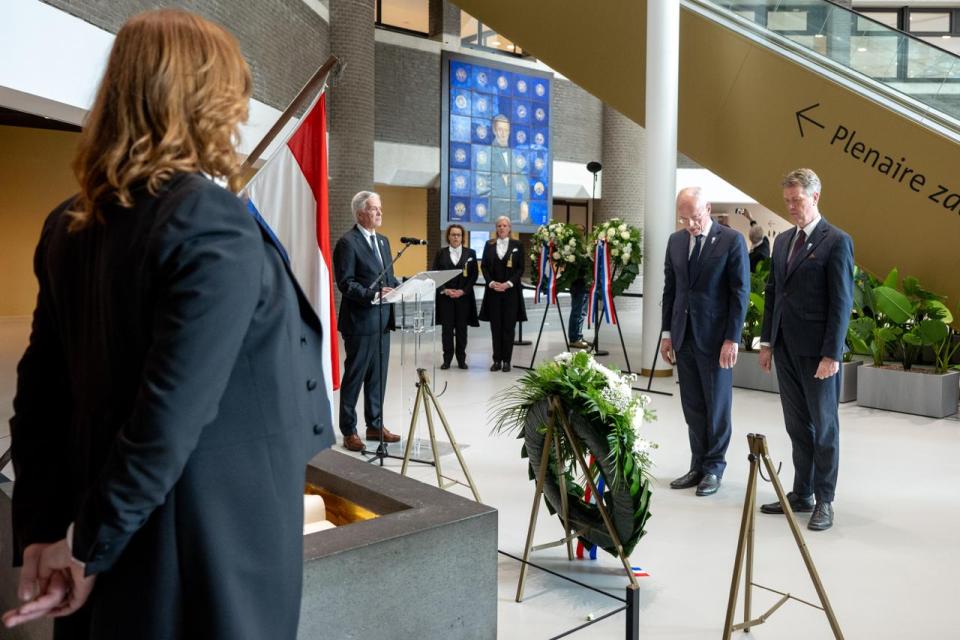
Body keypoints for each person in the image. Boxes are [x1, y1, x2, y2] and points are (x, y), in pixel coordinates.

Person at [3, 9, 334, 638]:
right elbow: (168, 414)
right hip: (210, 543)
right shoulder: (208, 220)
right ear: (206, 97)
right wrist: (82, 546)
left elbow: (38, 398)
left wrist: (48, 533)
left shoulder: (71, 223)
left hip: (110, 522)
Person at [758, 168, 853, 531]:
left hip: (818, 354)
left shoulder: (836, 241)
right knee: (797, 425)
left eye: (797, 200)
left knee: (825, 427)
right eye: (787, 201)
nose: (792, 207)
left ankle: (825, 500)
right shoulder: (782, 241)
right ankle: (802, 493)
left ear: (815, 197)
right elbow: (773, 294)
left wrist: (832, 355)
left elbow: (841, 303)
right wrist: (767, 343)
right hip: (785, 348)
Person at [660, 187, 749, 497]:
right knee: (693, 407)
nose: (691, 225)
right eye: (684, 219)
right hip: (683, 335)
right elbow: (671, 290)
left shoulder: (731, 240)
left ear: (708, 208)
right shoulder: (675, 241)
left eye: (695, 218)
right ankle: (697, 464)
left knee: (717, 407)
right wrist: (667, 334)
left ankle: (714, 467)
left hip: (715, 340)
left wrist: (732, 338)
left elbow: (740, 294)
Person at [333, 191, 402, 452]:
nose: (379, 213)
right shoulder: (347, 243)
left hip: (383, 321)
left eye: (379, 208)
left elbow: (389, 279)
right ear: (360, 213)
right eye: (374, 209)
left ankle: (374, 425)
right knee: (355, 377)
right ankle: (349, 430)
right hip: (360, 323)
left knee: (377, 378)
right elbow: (346, 284)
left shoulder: (383, 242)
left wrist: (402, 287)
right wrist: (373, 294)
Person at [479, 216, 526, 372]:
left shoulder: (517, 245)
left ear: (510, 228)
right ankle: (496, 360)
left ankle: (507, 361)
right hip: (493, 292)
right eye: (499, 225)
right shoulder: (489, 244)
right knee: (496, 328)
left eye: (504, 225)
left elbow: (520, 268)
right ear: (496, 228)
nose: (501, 228)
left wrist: (508, 283)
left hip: (511, 292)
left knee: (508, 328)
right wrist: (491, 282)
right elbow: (484, 266)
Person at [431, 224, 479, 369]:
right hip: (446, 298)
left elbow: (474, 275)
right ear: (448, 237)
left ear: (462, 237)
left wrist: (463, 291)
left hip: (463, 298)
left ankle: (461, 359)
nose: (456, 237)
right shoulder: (441, 253)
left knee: (461, 330)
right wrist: (445, 290)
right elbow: (435, 274)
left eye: (458, 235)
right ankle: (447, 359)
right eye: (453, 234)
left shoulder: (470, 253)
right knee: (447, 330)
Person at [567, 223, 590, 349]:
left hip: (585, 283)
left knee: (582, 312)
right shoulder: (571, 247)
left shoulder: (584, 246)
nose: (580, 232)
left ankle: (579, 335)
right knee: (577, 311)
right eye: (578, 230)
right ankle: (574, 338)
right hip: (577, 284)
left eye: (582, 230)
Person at [741, 208, 771, 272]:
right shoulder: (765, 241)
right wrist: (750, 218)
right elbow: (757, 229)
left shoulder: (756, 256)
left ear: (750, 239)